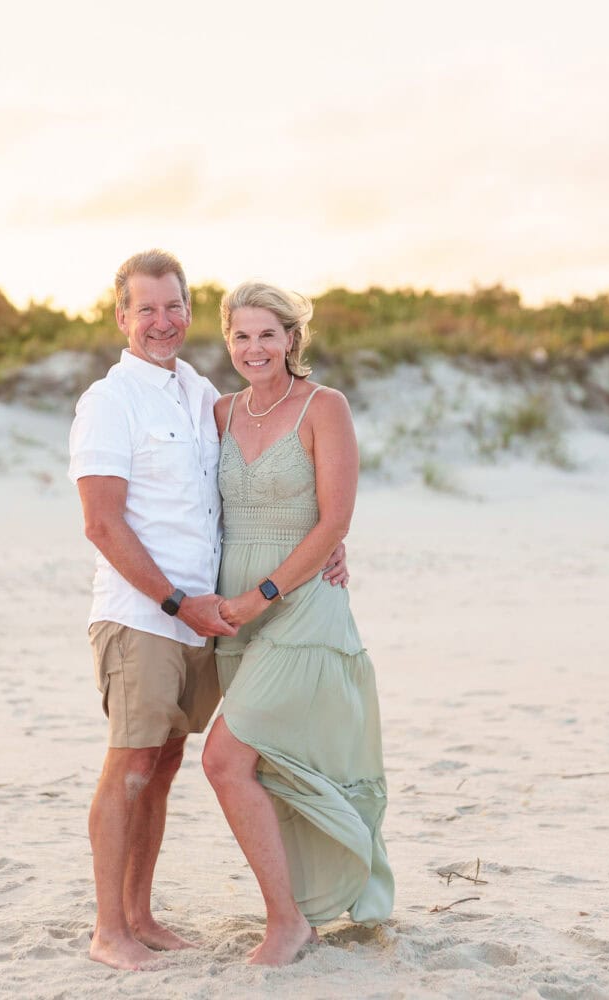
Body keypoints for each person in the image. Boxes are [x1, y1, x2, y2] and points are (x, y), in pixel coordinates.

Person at [68, 250, 347, 971]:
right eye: (146, 309)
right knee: (129, 764)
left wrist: (330, 547)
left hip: (205, 616)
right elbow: (101, 523)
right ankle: (109, 930)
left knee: (161, 765)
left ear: (190, 313)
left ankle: (139, 915)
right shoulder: (109, 400)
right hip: (142, 616)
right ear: (122, 317)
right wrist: (171, 601)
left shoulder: (198, 394)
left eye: (173, 307)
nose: (162, 322)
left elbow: (265, 491)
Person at [201, 280, 393, 965]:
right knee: (264, 763)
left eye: (267, 334)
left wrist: (265, 593)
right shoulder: (218, 413)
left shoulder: (324, 406)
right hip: (233, 611)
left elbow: (335, 518)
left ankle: (286, 923)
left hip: (299, 600)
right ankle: (300, 906)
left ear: (292, 339)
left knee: (223, 758)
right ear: (229, 342)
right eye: (241, 336)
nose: (254, 348)